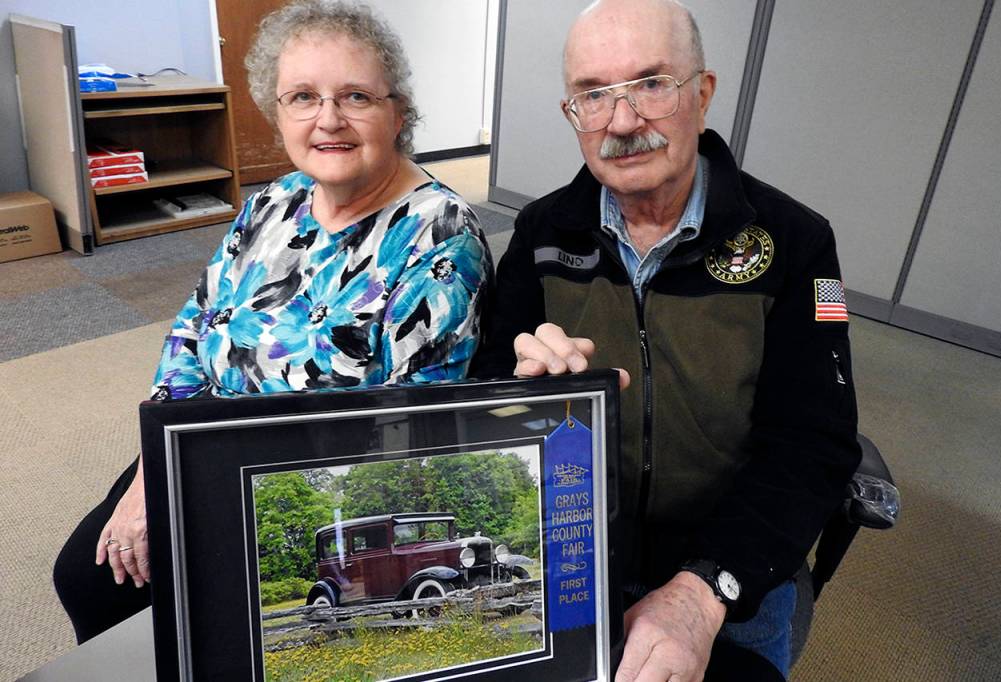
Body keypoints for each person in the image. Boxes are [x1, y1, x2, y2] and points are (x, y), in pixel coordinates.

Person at [54, 0, 491, 644]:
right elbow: (192, 332)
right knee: (87, 574)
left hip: (297, 478)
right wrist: (155, 471)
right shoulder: (274, 201)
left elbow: (407, 428)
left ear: (398, 112)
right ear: (277, 112)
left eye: (356, 97)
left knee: (152, 610)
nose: (329, 119)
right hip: (198, 440)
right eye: (302, 97)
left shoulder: (439, 236)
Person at [471, 0, 860, 679]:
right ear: (572, 113)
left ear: (703, 94)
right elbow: (483, 401)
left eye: (652, 84)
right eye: (593, 95)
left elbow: (816, 444)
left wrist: (704, 591)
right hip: (574, 553)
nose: (623, 122)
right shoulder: (540, 235)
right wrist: (517, 400)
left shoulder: (797, 242)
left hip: (727, 563)